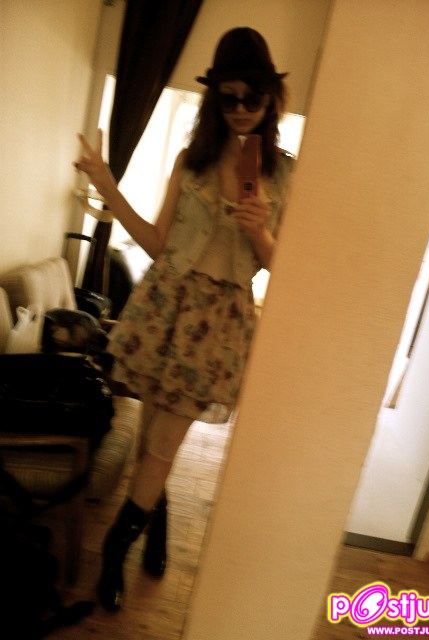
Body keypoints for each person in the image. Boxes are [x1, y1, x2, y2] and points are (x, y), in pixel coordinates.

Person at [73, 26, 294, 612]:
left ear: (271, 98)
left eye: (252, 97)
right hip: (165, 307)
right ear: (215, 98)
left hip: (218, 325)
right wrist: (106, 185)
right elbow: (157, 242)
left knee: (163, 443)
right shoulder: (191, 162)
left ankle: (113, 554)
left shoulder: (284, 175)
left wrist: (260, 231)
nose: (241, 109)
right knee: (154, 437)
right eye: (229, 97)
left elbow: (285, 268)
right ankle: (157, 522)